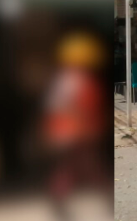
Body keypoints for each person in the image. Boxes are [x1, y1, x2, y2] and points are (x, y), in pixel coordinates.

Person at [45, 31, 108, 221]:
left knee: (77, 168)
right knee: (82, 167)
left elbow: (53, 107)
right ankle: (60, 199)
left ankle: (59, 199)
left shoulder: (62, 79)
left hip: (63, 133)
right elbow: (80, 110)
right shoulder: (81, 81)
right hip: (76, 133)